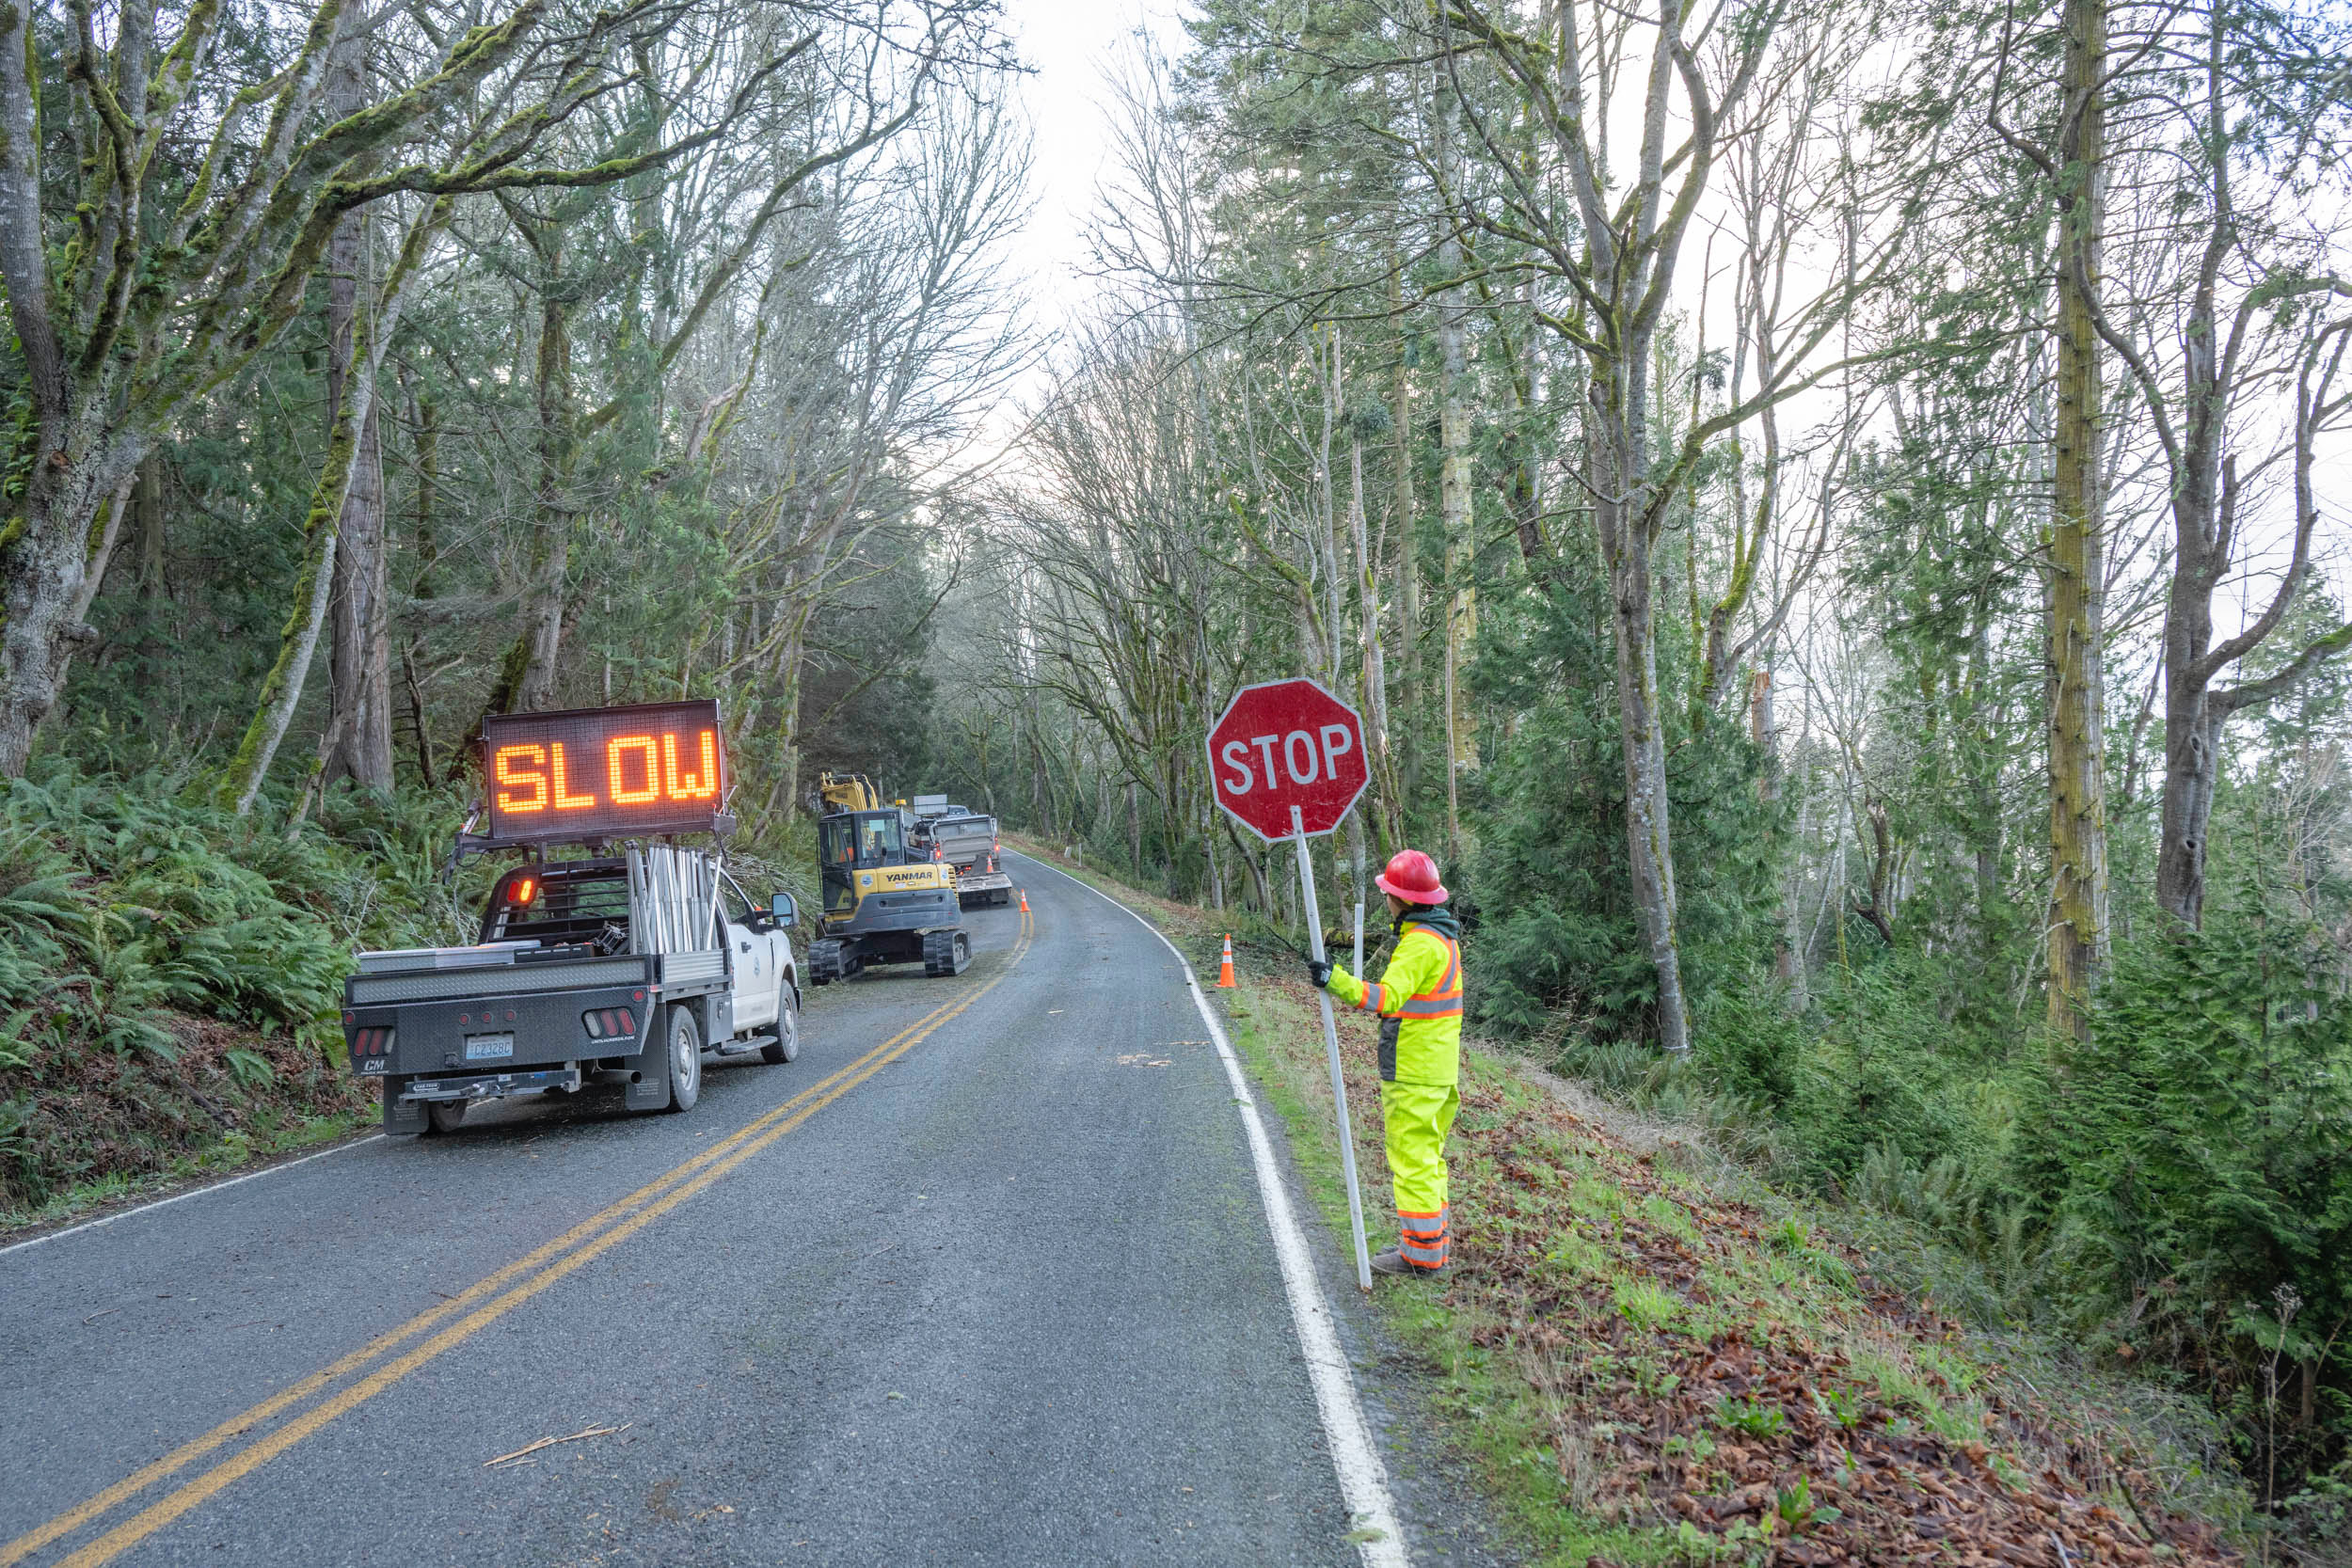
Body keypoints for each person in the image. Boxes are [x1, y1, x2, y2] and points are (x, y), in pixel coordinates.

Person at [1307, 849, 1463, 1277]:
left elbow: (1386, 998)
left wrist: (1332, 978)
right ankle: (1432, 1246)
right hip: (1438, 1071)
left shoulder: (1418, 945)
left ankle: (1421, 1258)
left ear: (1405, 901)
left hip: (1414, 1072)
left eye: (1390, 894)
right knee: (1428, 1160)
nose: (1387, 901)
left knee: (1412, 1161)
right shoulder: (1444, 939)